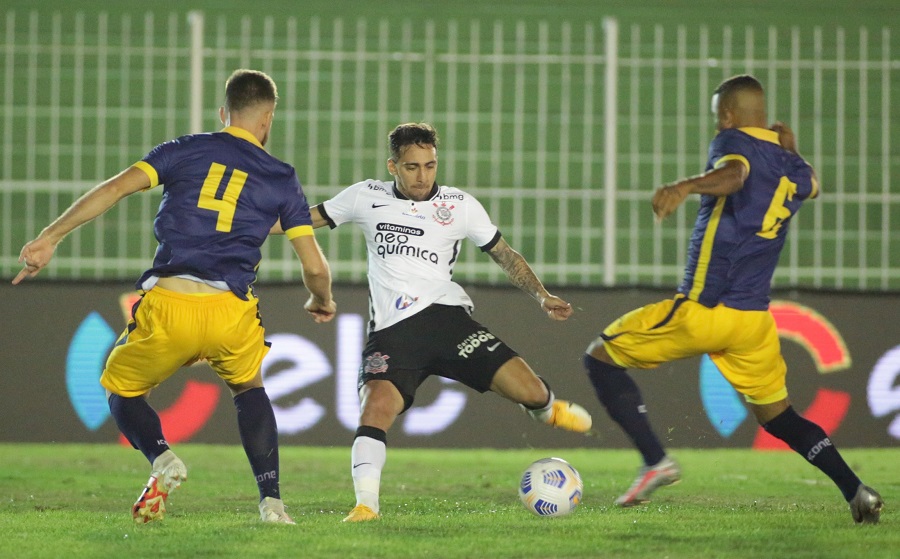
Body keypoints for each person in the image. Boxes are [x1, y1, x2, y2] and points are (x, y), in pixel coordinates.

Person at [12, 69, 336, 525]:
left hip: (171, 303)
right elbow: (315, 266)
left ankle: (163, 460)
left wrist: (51, 236)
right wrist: (320, 299)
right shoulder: (281, 176)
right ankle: (272, 504)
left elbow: (114, 189)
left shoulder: (183, 150)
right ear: (268, 119)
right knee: (250, 388)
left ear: (223, 113)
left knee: (120, 391)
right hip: (230, 312)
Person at [581, 74, 884, 524]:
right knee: (780, 417)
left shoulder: (731, 139)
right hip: (753, 322)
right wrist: (791, 147)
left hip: (705, 308)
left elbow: (736, 174)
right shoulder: (791, 164)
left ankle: (655, 461)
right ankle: (855, 490)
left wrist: (685, 186)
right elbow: (813, 184)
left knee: (599, 357)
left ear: (726, 114)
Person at [292, 122, 592, 522]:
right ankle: (367, 505)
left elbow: (505, 254)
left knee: (533, 392)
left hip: (447, 321)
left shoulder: (460, 205)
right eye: (412, 167)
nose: (423, 176)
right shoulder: (365, 196)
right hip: (393, 332)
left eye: (430, 165)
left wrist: (542, 295)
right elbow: (297, 221)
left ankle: (543, 409)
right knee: (375, 408)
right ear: (393, 166)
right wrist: (244, 218)